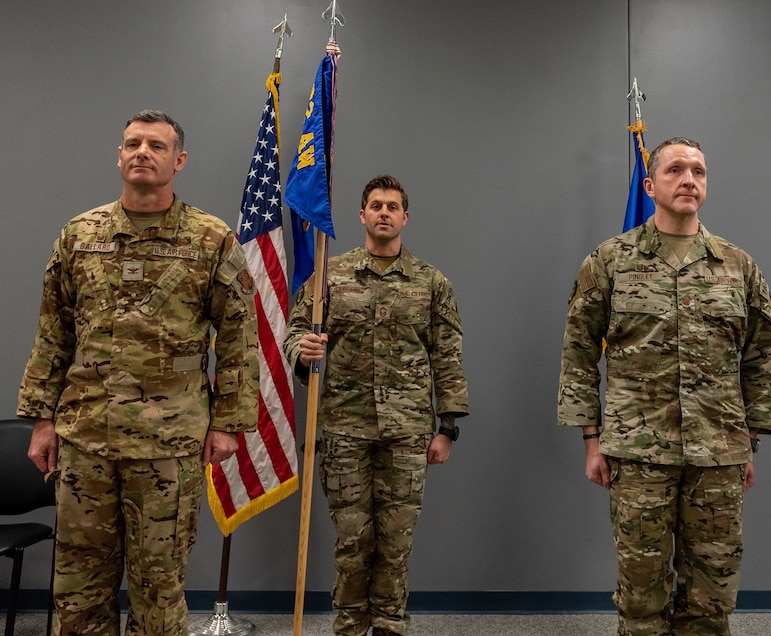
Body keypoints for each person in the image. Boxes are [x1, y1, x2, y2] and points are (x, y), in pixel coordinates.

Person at [17, 109, 260, 635]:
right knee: (79, 591)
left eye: (156, 144)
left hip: (169, 443)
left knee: (159, 590)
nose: (142, 152)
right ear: (119, 155)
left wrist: (227, 423)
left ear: (179, 160)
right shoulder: (80, 234)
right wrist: (40, 420)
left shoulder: (210, 238)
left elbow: (241, 338)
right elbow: (53, 332)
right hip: (86, 440)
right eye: (132, 143)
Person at [558, 137, 771, 635]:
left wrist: (750, 441)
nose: (689, 180)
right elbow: (577, 351)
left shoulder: (737, 265)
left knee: (713, 595)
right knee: (641, 593)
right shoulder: (610, 261)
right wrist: (592, 440)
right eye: (676, 170)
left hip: (718, 453)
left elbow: (763, 354)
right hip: (638, 453)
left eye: (699, 172)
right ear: (649, 185)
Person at [283, 174, 468, 636]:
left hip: (407, 433)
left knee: (395, 539)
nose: (383, 213)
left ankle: (389, 626)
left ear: (405, 217)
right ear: (361, 215)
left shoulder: (430, 282)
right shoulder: (330, 276)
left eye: (392, 206)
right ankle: (348, 625)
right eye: (375, 205)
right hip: (345, 430)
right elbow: (293, 330)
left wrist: (447, 428)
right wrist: (301, 349)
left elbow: (447, 355)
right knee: (352, 539)